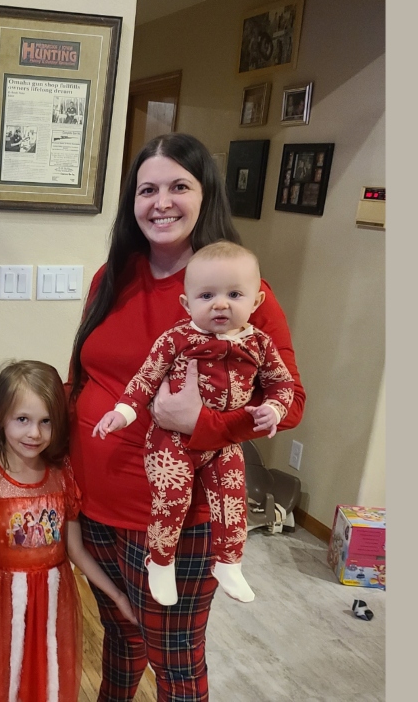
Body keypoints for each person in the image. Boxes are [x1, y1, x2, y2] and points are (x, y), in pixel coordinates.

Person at [67, 132, 305, 701]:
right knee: (121, 639)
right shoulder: (111, 277)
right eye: (147, 189)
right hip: (95, 502)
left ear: (206, 195)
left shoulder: (241, 293)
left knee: (173, 660)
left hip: (178, 519)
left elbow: (289, 401)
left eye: (179, 186)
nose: (161, 202)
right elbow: (84, 371)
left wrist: (202, 424)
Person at [92, 241, 297, 605]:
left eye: (234, 294)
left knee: (233, 501)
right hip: (170, 441)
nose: (220, 304)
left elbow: (283, 385)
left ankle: (229, 562)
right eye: (206, 296)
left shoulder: (260, 344)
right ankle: (159, 560)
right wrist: (121, 414)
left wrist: (275, 410)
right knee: (171, 498)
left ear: (256, 302)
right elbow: (144, 380)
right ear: (187, 304)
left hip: (222, 444)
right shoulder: (177, 339)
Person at [0, 360, 139, 702]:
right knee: (1, 682)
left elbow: (75, 550)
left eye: (46, 422)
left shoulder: (62, 476)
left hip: (53, 599)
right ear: (0, 417)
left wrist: (117, 595)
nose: (35, 434)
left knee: (48, 680)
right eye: (23, 420)